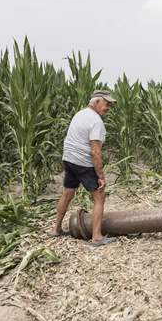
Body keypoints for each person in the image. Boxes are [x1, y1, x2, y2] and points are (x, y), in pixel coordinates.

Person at [50, 90, 117, 247]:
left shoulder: (80, 114)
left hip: (69, 159)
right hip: (82, 163)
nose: (108, 107)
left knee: (68, 193)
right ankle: (97, 237)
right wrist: (101, 176)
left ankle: (56, 229)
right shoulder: (96, 122)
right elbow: (95, 151)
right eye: (106, 104)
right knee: (99, 195)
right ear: (96, 102)